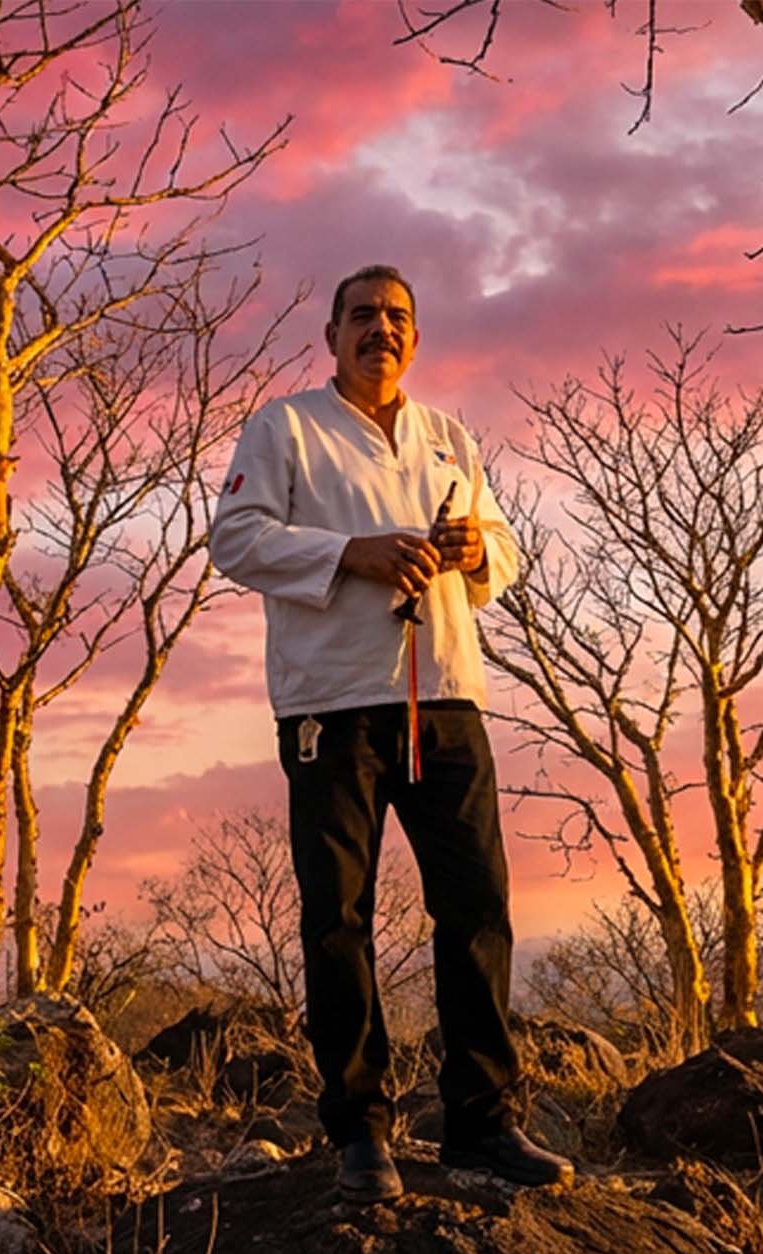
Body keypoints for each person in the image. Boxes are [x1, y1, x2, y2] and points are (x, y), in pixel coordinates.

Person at [207, 264, 574, 1202]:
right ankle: (361, 1135)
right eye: (363, 315)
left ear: (417, 335)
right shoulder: (285, 426)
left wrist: (472, 548)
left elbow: (507, 550)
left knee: (479, 907)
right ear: (331, 333)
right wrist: (349, 553)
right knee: (339, 920)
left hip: (448, 691)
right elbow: (235, 539)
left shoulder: (448, 435)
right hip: (331, 702)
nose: (383, 328)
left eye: (399, 316)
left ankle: (482, 1125)